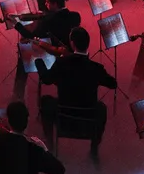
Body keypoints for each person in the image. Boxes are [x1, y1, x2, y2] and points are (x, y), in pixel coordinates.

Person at [39, 27, 118, 155]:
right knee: (101, 107)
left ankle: (50, 145)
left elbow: (46, 80)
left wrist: (39, 62)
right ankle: (94, 147)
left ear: (72, 43)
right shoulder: (96, 68)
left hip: (64, 118)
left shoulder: (61, 63)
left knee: (45, 101)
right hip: (87, 120)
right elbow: (113, 84)